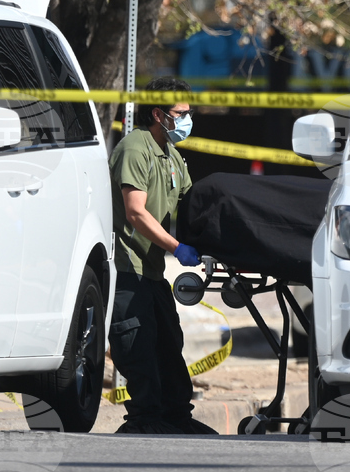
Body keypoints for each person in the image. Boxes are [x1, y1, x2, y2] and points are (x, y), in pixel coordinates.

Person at [108, 76, 216, 435]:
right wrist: (176, 247)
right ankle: (144, 420)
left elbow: (189, 204)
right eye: (180, 113)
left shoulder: (171, 155)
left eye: (189, 112)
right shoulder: (135, 149)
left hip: (152, 271)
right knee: (137, 347)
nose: (187, 119)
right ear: (158, 114)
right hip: (127, 267)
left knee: (170, 344)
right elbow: (135, 212)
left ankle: (175, 417)